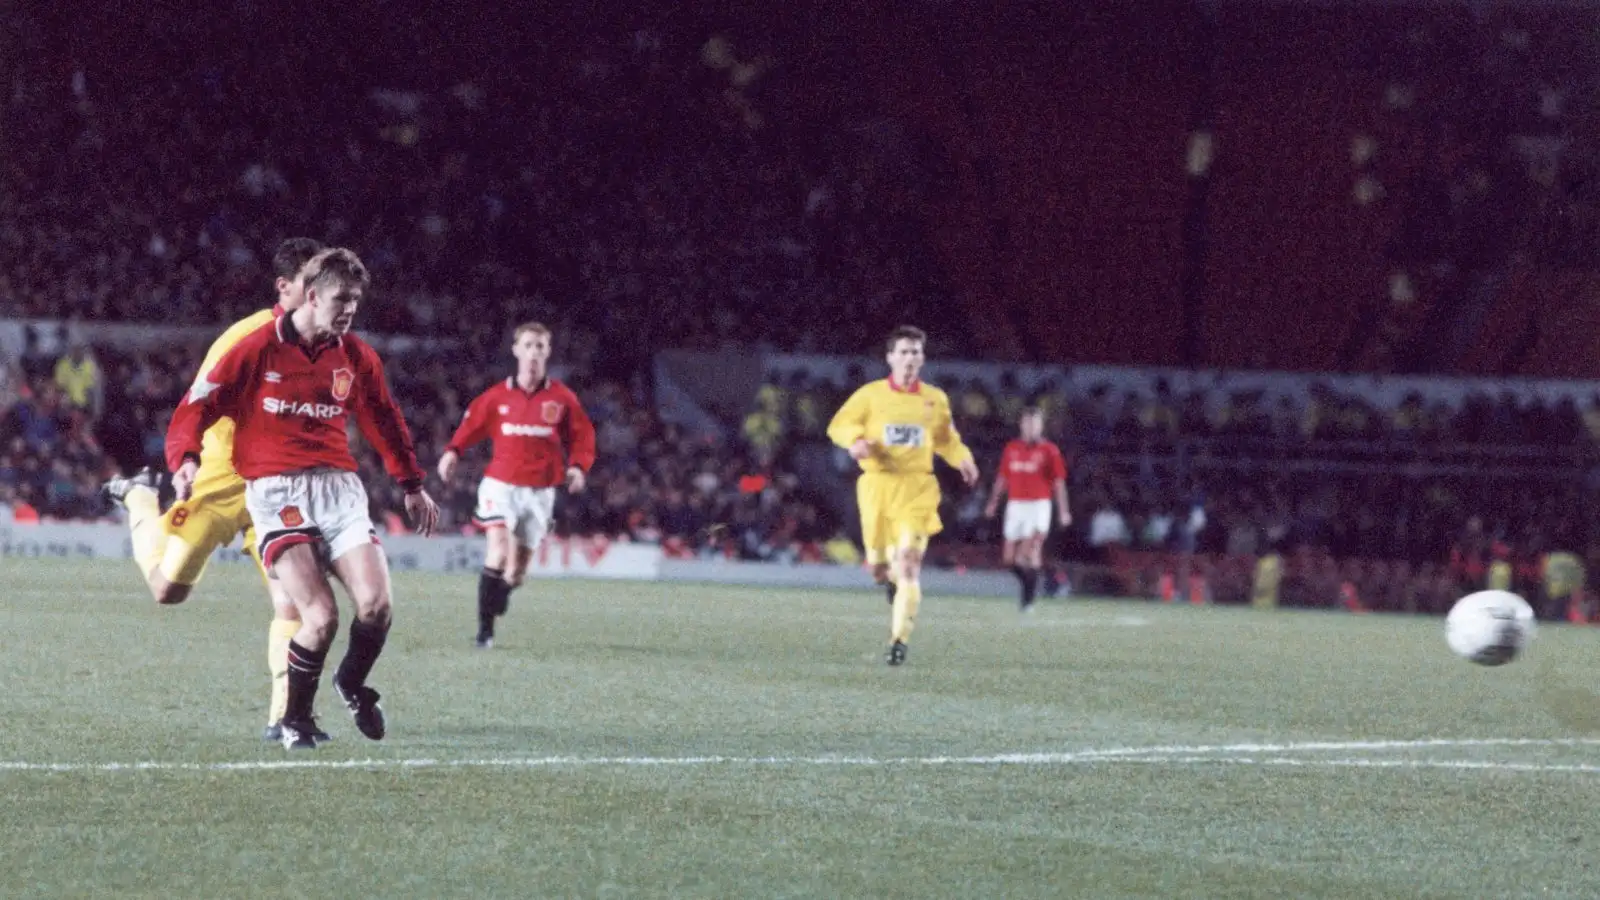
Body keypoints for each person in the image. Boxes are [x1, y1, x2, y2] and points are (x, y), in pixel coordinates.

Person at [165, 247, 440, 750]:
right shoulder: (256, 348)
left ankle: (351, 684)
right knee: (321, 616)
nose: (350, 310)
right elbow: (196, 405)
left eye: (356, 301)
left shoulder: (354, 356)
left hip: (338, 490)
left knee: (377, 607)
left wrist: (412, 484)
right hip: (276, 491)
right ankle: (295, 718)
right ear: (311, 296)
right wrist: (185, 458)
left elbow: (385, 420)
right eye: (341, 299)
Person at [103, 237, 329, 743]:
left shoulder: (326, 348)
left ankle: (284, 718)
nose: (320, 296)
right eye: (311, 285)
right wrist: (184, 460)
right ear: (286, 287)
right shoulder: (245, 339)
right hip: (218, 481)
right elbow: (193, 405)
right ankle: (141, 499)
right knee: (168, 590)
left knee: (293, 604)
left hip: (276, 491)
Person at [436, 322, 596, 648]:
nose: (534, 352)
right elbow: (471, 426)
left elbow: (582, 438)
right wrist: (452, 451)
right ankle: (485, 632)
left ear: (548, 352)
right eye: (528, 345)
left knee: (517, 572)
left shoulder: (562, 398)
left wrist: (578, 468)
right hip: (501, 486)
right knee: (497, 550)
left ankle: (503, 591)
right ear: (516, 350)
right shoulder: (497, 397)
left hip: (540, 492)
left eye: (540, 346)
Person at [827, 325, 978, 666]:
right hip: (877, 488)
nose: (910, 358)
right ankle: (890, 582)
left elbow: (946, 439)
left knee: (909, 563)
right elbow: (837, 425)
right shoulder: (870, 395)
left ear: (922, 359)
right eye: (904, 351)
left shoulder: (934, 399)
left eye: (916, 352)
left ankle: (899, 641)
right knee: (880, 569)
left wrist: (962, 458)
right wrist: (855, 441)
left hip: (917, 489)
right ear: (890, 357)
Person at [983, 407, 1070, 610]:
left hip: (1038, 506)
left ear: (1041, 426)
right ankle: (1039, 584)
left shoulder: (1050, 450)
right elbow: (1002, 478)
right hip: (1016, 506)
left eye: (1035, 424)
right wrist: (993, 502)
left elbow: (1059, 483)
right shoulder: (1011, 448)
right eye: (1027, 423)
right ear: (1021, 425)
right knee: (1009, 560)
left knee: (1027, 554)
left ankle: (1028, 599)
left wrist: (1064, 510)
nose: (1031, 428)